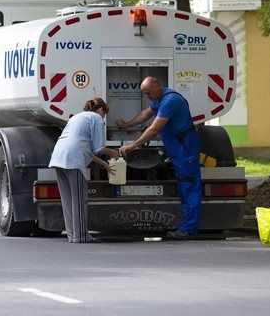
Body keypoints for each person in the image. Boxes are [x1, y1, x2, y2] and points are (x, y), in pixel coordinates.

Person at [117, 77, 201, 239]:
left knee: (189, 187)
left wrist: (132, 146)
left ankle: (188, 229)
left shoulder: (171, 100)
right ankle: (187, 227)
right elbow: (145, 114)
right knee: (185, 186)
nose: (147, 96)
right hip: (178, 149)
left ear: (157, 86)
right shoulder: (160, 98)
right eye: (144, 93)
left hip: (185, 149)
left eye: (148, 92)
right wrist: (127, 124)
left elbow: (154, 129)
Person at [49, 98, 119, 243]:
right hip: (74, 160)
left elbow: (87, 150)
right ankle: (81, 236)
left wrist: (105, 165)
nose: (104, 118)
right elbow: (98, 148)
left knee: (67, 200)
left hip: (58, 157)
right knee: (79, 199)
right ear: (101, 110)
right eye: (104, 114)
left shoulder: (77, 117)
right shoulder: (97, 118)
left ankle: (72, 234)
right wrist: (113, 153)